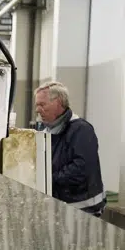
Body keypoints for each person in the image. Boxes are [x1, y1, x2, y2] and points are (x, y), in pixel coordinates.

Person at [35, 80, 105, 216]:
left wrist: (48, 179)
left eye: (42, 105)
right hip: (59, 207)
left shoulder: (81, 130)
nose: (37, 110)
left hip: (83, 209)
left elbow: (81, 168)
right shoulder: (46, 130)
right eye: (37, 105)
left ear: (59, 103)